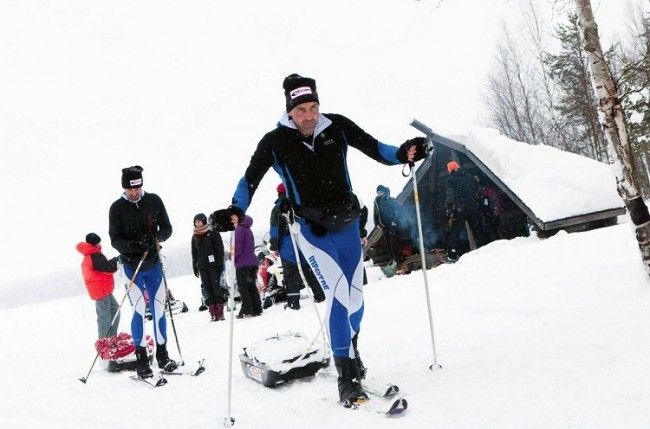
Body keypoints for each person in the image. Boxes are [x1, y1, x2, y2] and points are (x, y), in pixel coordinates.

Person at [212, 73, 429, 406]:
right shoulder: (274, 142)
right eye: (301, 111)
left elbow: (377, 148)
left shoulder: (337, 126)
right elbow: (249, 180)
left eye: (313, 107)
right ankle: (347, 376)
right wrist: (234, 210)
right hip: (311, 232)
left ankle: (349, 351)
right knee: (339, 297)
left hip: (346, 224)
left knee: (356, 300)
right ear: (289, 112)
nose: (309, 116)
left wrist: (405, 153)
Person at [108, 165, 178, 378]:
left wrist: (156, 238)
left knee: (159, 310)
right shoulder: (117, 208)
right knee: (139, 310)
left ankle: (163, 355)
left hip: (154, 265)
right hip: (132, 268)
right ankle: (141, 359)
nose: (135, 192)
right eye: (131, 189)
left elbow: (167, 228)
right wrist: (135, 246)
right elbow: (115, 239)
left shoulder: (153, 200)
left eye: (137, 188)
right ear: (125, 188)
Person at [269, 183, 324, 310]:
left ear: (279, 193)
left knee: (291, 273)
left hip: (287, 243)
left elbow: (274, 229)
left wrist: (275, 245)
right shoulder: (298, 204)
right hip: (302, 240)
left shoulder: (278, 208)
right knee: (309, 268)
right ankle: (320, 295)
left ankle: (294, 302)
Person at [76, 233, 120, 339]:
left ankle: (111, 338)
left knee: (115, 310)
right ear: (95, 243)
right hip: (101, 291)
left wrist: (114, 260)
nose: (101, 244)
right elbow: (109, 268)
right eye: (99, 242)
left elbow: (104, 266)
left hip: (103, 291)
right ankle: (104, 342)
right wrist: (117, 260)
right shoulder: (94, 255)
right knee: (104, 318)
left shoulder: (92, 256)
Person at [445, 161, 486, 262]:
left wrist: (449, 209)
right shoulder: (469, 176)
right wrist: (480, 204)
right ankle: (484, 249)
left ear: (449, 170)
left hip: (460, 210)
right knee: (477, 230)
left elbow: (450, 195)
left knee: (454, 233)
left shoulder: (450, 179)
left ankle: (452, 255)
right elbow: (479, 190)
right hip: (473, 207)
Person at [192, 213, 226, 321]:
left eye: (199, 221)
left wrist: (220, 263)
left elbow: (219, 249)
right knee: (207, 289)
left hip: (214, 265)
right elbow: (194, 253)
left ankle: (220, 312)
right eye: (196, 221)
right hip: (202, 266)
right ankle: (212, 312)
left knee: (216, 288)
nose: (197, 223)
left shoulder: (212, 232)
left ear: (204, 221)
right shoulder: (194, 236)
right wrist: (195, 266)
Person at [231, 213, 263, 318]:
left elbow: (237, 248)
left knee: (243, 286)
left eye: (233, 217)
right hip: (252, 261)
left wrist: (232, 258)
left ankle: (247, 309)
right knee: (251, 285)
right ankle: (257, 308)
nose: (231, 220)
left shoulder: (239, 229)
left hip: (242, 263)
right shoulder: (248, 229)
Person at [373, 185, 403, 262]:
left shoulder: (390, 200)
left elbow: (399, 209)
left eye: (380, 192)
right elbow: (376, 214)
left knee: (394, 242)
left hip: (392, 224)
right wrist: (377, 224)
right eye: (378, 192)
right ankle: (392, 259)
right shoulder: (376, 202)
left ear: (384, 192)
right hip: (384, 225)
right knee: (388, 243)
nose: (379, 194)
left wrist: (395, 221)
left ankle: (398, 258)